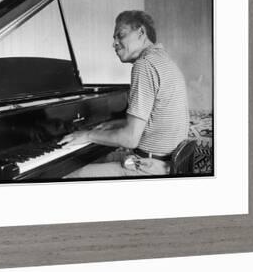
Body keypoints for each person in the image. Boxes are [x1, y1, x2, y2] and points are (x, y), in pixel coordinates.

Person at [64, 10, 189, 178]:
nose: (114, 43)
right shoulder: (164, 60)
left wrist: (87, 135)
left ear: (141, 32)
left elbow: (130, 139)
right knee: (98, 157)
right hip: (169, 162)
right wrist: (117, 124)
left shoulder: (144, 65)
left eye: (120, 35)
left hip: (148, 166)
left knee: (70, 174)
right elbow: (153, 118)